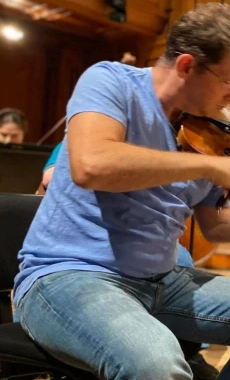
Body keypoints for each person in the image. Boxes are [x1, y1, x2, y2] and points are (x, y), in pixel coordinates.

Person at [13, 3, 230, 380]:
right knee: (157, 363)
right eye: (229, 83)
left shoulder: (209, 135)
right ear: (186, 66)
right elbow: (91, 165)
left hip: (161, 282)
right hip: (68, 276)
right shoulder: (111, 81)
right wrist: (205, 167)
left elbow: (217, 226)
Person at [35, 140, 220, 379]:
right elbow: (51, 178)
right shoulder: (85, 137)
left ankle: (188, 349)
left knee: (180, 257)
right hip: (73, 260)